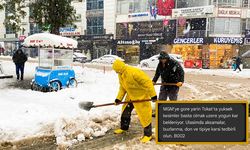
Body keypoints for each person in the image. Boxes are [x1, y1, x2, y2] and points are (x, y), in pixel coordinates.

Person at [112, 59, 157, 143]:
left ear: (120, 69)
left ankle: (148, 135)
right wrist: (119, 98)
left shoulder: (134, 72)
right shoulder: (121, 74)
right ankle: (124, 128)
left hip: (141, 96)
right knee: (125, 112)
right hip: (130, 96)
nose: (116, 72)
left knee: (145, 115)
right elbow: (122, 87)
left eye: (116, 70)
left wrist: (153, 95)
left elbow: (148, 82)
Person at [152, 51, 184, 117]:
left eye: (163, 59)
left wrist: (180, 81)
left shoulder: (174, 63)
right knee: (161, 98)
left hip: (173, 84)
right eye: (161, 59)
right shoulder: (160, 64)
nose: (162, 60)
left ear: (167, 58)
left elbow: (181, 72)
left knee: (172, 99)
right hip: (164, 83)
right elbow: (157, 73)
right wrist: (154, 81)